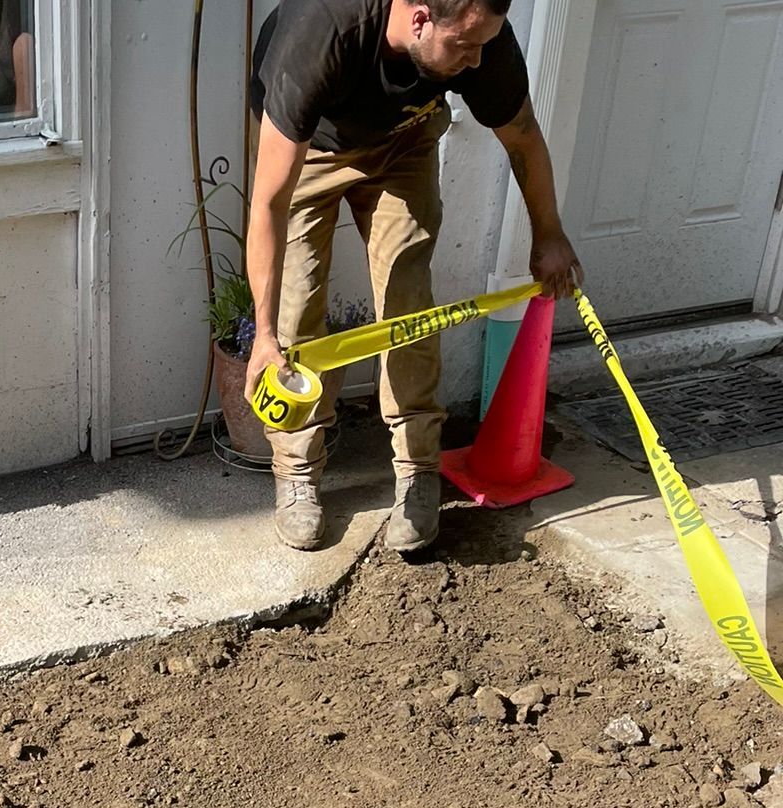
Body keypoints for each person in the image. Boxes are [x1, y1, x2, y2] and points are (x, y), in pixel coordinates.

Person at [243, 0, 583, 555]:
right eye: (464, 48)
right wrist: (261, 335)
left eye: (481, 47)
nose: (475, 63)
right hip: (313, 151)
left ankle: (417, 469)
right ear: (420, 18)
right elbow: (269, 202)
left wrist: (548, 231)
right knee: (297, 304)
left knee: (409, 300)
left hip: (404, 141)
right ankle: (297, 472)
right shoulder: (324, 32)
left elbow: (521, 135)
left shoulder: (481, 33)